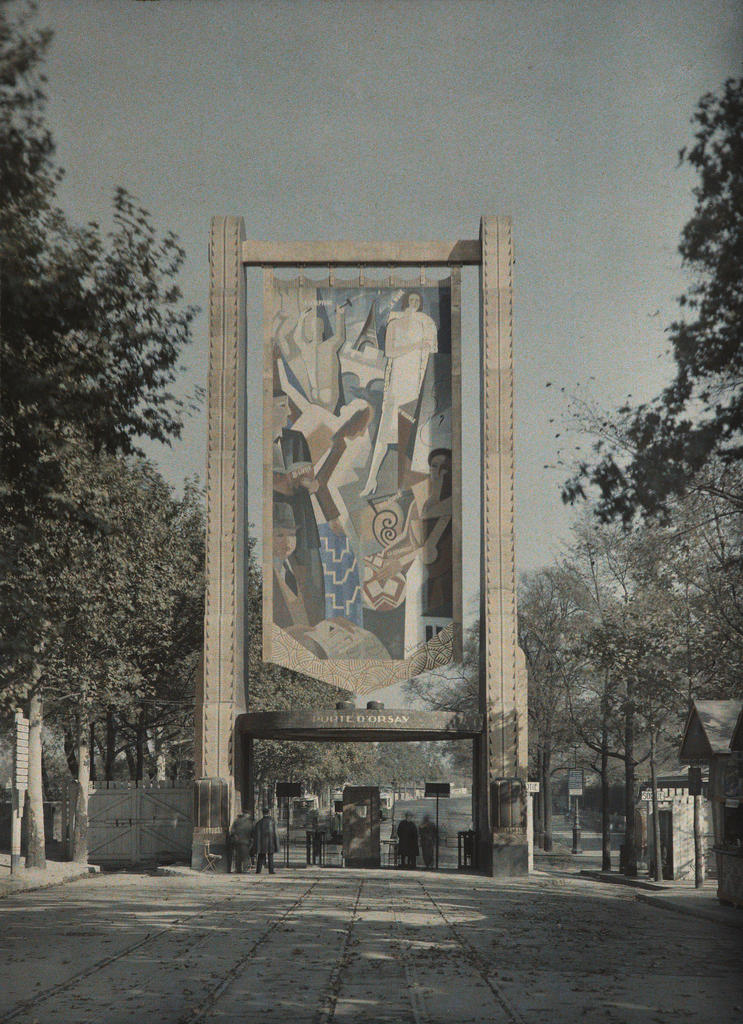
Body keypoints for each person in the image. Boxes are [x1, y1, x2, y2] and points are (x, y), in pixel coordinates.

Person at [254, 806, 279, 875]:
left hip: (262, 843)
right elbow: (275, 834)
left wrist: (256, 845)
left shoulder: (259, 823)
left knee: (261, 856)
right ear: (269, 813)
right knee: (270, 856)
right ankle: (271, 870)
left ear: (262, 813)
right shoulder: (272, 822)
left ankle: (258, 870)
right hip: (271, 843)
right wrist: (276, 844)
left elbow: (256, 835)